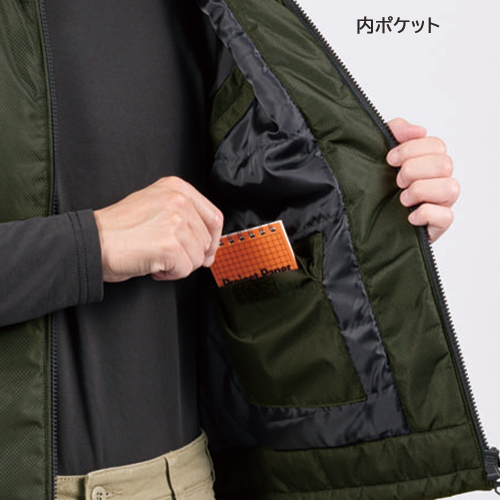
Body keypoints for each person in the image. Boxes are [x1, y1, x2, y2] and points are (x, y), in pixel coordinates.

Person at [0, 1, 462, 499]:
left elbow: (231, 243)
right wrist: (91, 245)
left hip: (180, 481)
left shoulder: (190, 10)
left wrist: (366, 211)